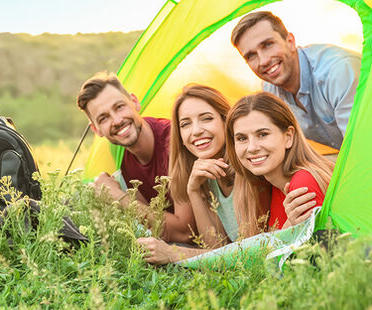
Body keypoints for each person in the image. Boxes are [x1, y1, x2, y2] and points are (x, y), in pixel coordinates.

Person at [76, 71, 195, 243]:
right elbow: (149, 219)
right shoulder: (120, 154)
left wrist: (117, 196)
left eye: (119, 107)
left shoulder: (173, 143)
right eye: (103, 118)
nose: (116, 120)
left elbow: (186, 232)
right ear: (96, 130)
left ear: (134, 102)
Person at [231, 11, 361, 150]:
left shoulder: (338, 72)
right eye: (251, 56)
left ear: (290, 42)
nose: (263, 61)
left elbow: (361, 145)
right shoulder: (270, 90)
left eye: (268, 44)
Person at [138, 85, 238, 263]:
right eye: (185, 124)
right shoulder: (205, 176)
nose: (196, 131)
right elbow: (215, 248)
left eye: (206, 119)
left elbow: (249, 253)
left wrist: (172, 253)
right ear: (181, 138)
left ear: (226, 121)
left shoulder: (245, 167)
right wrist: (193, 190)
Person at [225, 92, 334, 237]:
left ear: (288, 137)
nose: (252, 147)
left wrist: (288, 231)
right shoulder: (276, 185)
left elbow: (326, 254)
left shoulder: (304, 183)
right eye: (242, 138)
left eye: (262, 134)